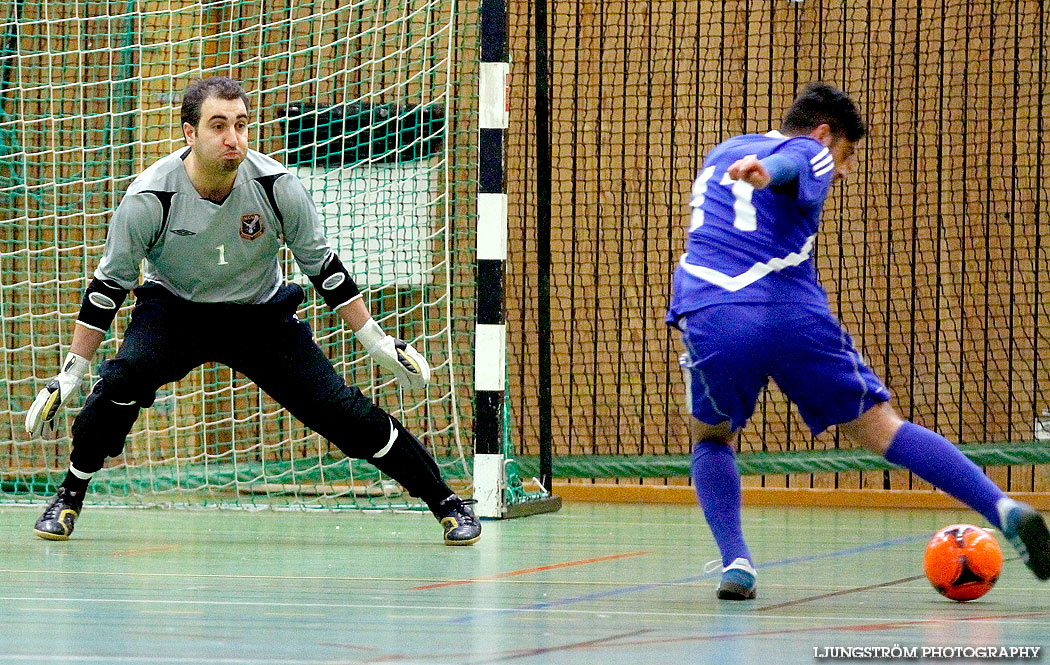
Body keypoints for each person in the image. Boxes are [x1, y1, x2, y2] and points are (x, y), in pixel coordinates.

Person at [24, 76, 480, 546]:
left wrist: (377, 342)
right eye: (218, 126)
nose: (232, 139)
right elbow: (108, 286)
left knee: (343, 412)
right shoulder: (149, 198)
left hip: (261, 317)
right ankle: (70, 495)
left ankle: (446, 501)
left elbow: (324, 269)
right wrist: (72, 372)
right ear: (189, 133)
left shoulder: (277, 186)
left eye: (241, 125)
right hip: (176, 313)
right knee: (118, 383)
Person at [666, 82, 1049, 599]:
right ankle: (1002, 508)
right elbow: (800, 164)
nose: (844, 169)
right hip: (790, 313)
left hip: (712, 313)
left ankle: (737, 563)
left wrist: (759, 171)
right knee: (883, 429)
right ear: (826, 134)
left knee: (711, 437)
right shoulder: (812, 149)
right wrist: (771, 173)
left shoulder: (721, 152)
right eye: (847, 155)